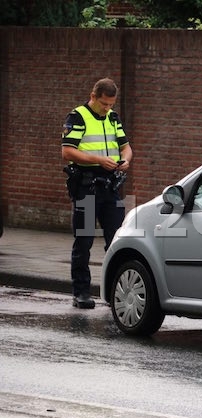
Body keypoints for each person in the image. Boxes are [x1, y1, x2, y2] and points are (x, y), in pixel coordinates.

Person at [61, 78, 132, 309]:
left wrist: (125, 161)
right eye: (104, 103)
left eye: (111, 104)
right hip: (87, 188)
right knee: (84, 241)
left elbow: (126, 146)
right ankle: (81, 292)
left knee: (117, 241)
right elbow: (67, 152)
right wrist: (98, 160)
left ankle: (115, 293)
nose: (107, 108)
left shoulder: (113, 118)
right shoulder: (78, 117)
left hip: (110, 188)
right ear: (93, 96)